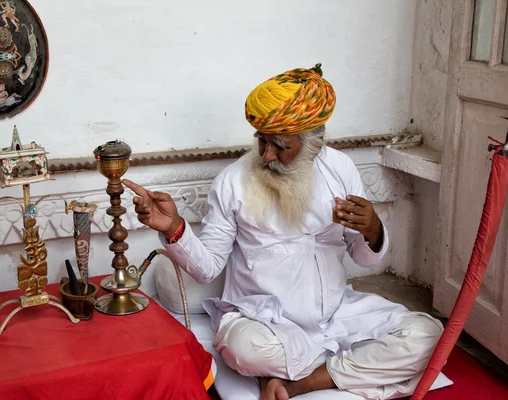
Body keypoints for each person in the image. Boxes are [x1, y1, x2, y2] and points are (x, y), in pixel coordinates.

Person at [123, 64, 443, 400]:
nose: (266, 155)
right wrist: (175, 228)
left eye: (280, 146)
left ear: (314, 145)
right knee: (243, 348)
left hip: (335, 314)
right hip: (264, 323)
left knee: (428, 335)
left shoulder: (340, 169)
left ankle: (297, 383)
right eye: (261, 141)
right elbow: (208, 268)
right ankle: (351, 368)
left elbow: (362, 259)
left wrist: (373, 229)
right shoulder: (233, 181)